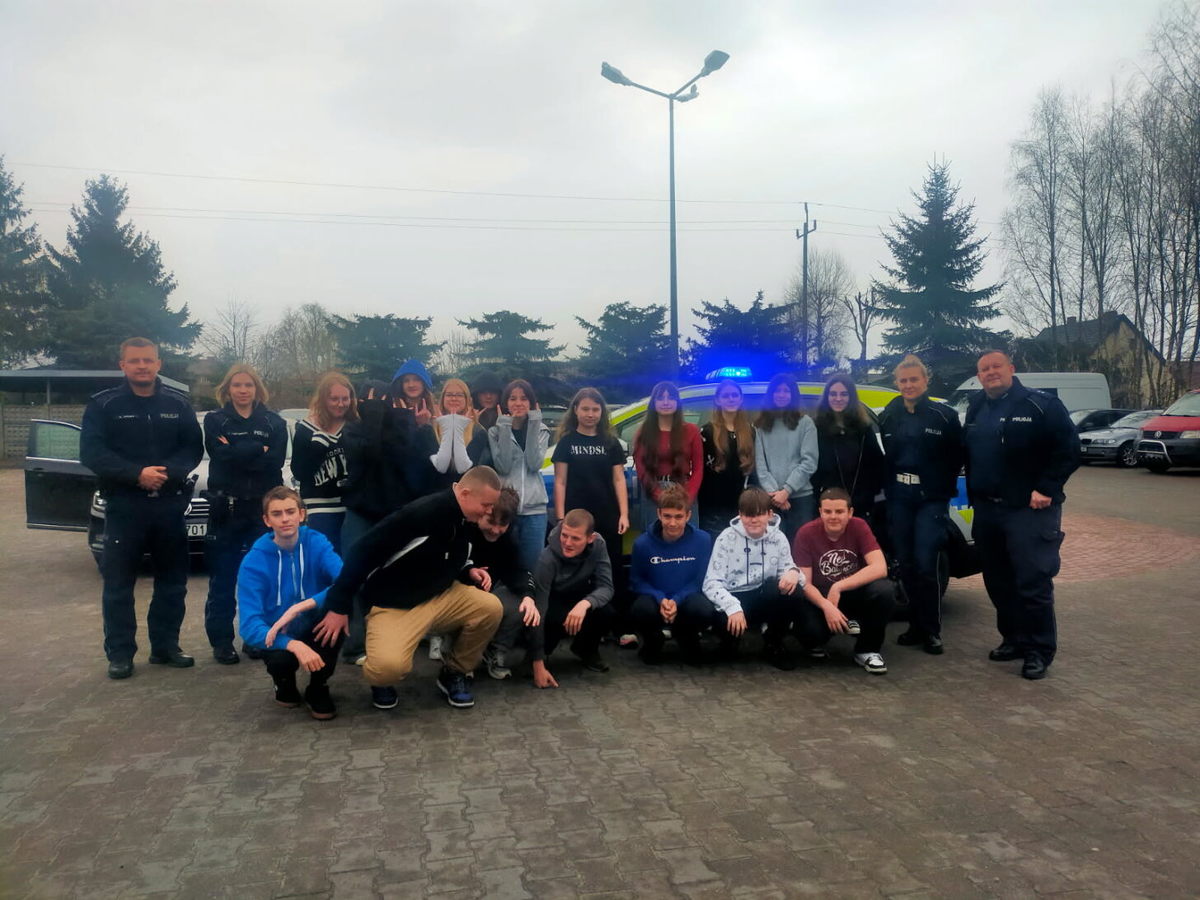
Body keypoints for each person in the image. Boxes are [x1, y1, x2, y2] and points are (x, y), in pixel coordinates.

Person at [313, 466, 504, 710]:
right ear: (465, 494)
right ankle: (381, 681)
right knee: (386, 669)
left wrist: (467, 570)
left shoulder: (466, 517)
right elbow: (362, 552)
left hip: (440, 595)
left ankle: (454, 672)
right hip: (395, 604)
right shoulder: (422, 513)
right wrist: (338, 606)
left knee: (491, 608)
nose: (489, 511)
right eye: (487, 505)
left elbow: (450, 553)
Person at [80, 337, 204, 679]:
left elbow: (192, 448)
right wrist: (136, 474)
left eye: (148, 360)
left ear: (158, 364)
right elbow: (92, 453)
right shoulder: (104, 405)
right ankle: (120, 654)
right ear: (122, 365)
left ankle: (165, 647)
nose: (142, 366)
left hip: (168, 505)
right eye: (134, 361)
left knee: (173, 582)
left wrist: (165, 473)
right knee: (119, 585)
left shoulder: (178, 404)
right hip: (124, 506)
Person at [964, 350, 1080, 680]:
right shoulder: (976, 406)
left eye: (996, 366)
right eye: (984, 369)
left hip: (1029, 510)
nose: (991, 372)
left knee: (1032, 581)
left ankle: (1038, 651)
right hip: (987, 508)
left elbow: (1069, 450)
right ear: (979, 376)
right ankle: (1013, 639)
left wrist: (1046, 487)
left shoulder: (1041, 405)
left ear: (1011, 369)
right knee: (998, 580)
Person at [202, 363, 288, 665]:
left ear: (257, 389)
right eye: (237, 385)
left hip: (262, 512)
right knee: (223, 578)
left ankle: (256, 637)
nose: (242, 390)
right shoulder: (215, 420)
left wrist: (238, 450)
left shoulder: (274, 422)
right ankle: (222, 641)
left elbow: (275, 461)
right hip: (227, 509)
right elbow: (220, 456)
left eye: (248, 385)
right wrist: (257, 450)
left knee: (261, 578)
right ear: (227, 389)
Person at [877, 355, 962, 656]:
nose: (909, 385)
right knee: (906, 564)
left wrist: (941, 489)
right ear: (896, 383)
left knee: (927, 564)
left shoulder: (944, 416)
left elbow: (957, 456)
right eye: (903, 380)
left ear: (926, 381)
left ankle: (931, 630)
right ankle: (915, 626)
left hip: (930, 499)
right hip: (899, 496)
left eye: (914, 379)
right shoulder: (889, 414)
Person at [237, 487, 344, 719]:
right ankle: (283, 682)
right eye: (277, 514)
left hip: (314, 623)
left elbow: (346, 580)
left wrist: (301, 606)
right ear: (267, 520)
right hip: (279, 632)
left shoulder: (317, 542)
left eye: (290, 511)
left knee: (338, 616)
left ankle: (318, 686)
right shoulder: (253, 562)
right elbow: (248, 625)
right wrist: (293, 645)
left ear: (301, 514)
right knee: (281, 661)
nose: (285, 519)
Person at [791, 488, 896, 675]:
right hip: (820, 599)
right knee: (810, 633)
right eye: (828, 511)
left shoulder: (859, 526)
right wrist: (826, 606)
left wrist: (838, 586)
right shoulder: (806, 533)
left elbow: (880, 567)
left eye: (839, 511)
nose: (833, 517)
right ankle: (820, 638)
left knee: (884, 590)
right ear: (820, 512)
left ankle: (867, 650)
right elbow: (804, 583)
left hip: (851, 593)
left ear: (850, 512)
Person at [699, 487, 806, 670]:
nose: (754, 520)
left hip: (762, 596)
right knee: (717, 616)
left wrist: (794, 572)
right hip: (734, 596)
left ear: (770, 515)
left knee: (794, 591)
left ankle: (773, 643)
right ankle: (729, 642)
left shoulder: (779, 538)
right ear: (740, 515)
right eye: (748, 515)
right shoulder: (726, 538)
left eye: (759, 514)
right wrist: (732, 607)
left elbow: (793, 572)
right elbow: (711, 583)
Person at [551, 387, 630, 621]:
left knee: (611, 567)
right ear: (575, 410)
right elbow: (560, 481)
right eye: (585, 409)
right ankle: (577, 618)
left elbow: (619, 480)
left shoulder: (611, 443)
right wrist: (560, 518)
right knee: (576, 567)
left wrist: (624, 514)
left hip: (607, 515)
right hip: (576, 518)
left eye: (595, 409)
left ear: (602, 412)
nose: (590, 414)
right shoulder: (566, 442)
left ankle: (615, 623)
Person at [529, 510, 618, 684]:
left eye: (575, 538)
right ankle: (538, 653)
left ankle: (585, 648)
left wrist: (585, 603)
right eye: (564, 535)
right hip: (551, 601)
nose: (568, 543)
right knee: (550, 620)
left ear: (590, 538)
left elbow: (606, 587)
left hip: (580, 596)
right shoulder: (547, 558)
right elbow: (539, 609)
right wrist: (537, 662)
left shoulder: (598, 544)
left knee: (607, 612)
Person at [628, 484, 712, 665]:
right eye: (667, 516)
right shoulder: (642, 544)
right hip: (656, 601)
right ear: (658, 514)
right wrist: (660, 598)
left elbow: (701, 580)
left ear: (688, 516)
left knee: (704, 609)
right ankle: (653, 640)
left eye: (678, 517)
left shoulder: (703, 540)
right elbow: (637, 581)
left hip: (687, 599)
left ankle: (687, 636)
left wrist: (677, 599)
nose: (672, 523)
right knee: (640, 609)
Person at [474, 489, 541, 681]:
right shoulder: (463, 531)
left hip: (488, 595)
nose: (496, 530)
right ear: (479, 514)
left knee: (521, 603)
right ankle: (456, 655)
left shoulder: (508, 539)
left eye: (502, 524)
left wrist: (528, 596)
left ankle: (495, 651)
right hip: (461, 596)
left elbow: (517, 571)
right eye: (491, 522)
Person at [290, 372, 358, 554]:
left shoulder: (354, 426)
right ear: (323, 399)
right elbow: (299, 472)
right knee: (324, 558)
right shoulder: (306, 429)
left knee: (349, 560)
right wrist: (318, 447)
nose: (340, 404)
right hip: (319, 504)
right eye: (334, 399)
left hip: (351, 506)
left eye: (345, 398)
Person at [487, 378, 551, 574]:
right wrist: (505, 428)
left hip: (535, 512)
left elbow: (534, 463)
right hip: (506, 509)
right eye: (513, 398)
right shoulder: (495, 432)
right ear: (505, 403)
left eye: (524, 398)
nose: (518, 403)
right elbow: (504, 466)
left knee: (532, 570)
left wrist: (534, 425)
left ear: (531, 402)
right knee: (505, 568)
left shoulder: (541, 430)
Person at [811, 373, 886, 536]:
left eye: (844, 394)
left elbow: (877, 463)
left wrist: (868, 494)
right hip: (828, 505)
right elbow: (811, 467)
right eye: (833, 394)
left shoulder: (864, 428)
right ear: (827, 397)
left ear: (851, 397)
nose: (838, 398)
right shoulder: (816, 428)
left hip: (860, 504)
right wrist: (819, 496)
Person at [754, 373, 819, 543]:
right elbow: (760, 465)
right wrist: (776, 495)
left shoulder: (805, 423)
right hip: (770, 499)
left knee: (800, 547)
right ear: (771, 394)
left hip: (801, 498)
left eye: (786, 391)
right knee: (772, 548)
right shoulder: (760, 426)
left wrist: (786, 491)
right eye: (777, 391)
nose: (781, 395)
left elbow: (809, 462)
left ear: (793, 395)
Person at [633, 381, 703, 531]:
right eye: (660, 398)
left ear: (677, 402)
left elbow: (698, 468)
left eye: (670, 398)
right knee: (655, 538)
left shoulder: (691, 431)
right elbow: (642, 470)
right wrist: (660, 496)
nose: (666, 402)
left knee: (688, 539)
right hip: (653, 493)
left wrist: (688, 496)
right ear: (653, 403)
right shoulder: (643, 432)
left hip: (684, 491)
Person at [698, 379, 755, 542]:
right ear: (718, 400)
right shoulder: (706, 432)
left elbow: (754, 472)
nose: (731, 399)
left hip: (741, 509)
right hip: (712, 509)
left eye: (735, 395)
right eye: (726, 396)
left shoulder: (750, 431)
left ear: (741, 399)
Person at [428, 378, 478, 490]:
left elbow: (466, 469)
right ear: (443, 399)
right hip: (434, 491)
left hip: (465, 492)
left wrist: (458, 427)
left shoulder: (478, 431)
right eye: (449, 395)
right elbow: (437, 467)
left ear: (467, 399)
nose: (454, 398)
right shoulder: (431, 428)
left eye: (459, 395)